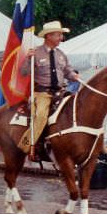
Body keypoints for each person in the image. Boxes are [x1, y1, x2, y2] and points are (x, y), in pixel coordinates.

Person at [18, 20, 80, 153]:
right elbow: (23, 72)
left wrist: (74, 75)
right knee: (40, 116)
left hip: (61, 92)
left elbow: (67, 71)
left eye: (61, 35)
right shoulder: (35, 53)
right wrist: (28, 59)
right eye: (58, 35)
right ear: (49, 36)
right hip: (42, 94)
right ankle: (26, 145)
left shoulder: (61, 54)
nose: (61, 38)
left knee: (77, 108)